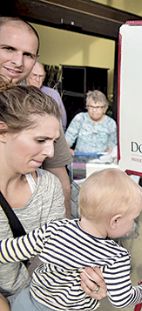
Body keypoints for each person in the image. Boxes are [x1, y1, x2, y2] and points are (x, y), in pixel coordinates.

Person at [0, 168, 142, 311]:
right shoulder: (116, 256)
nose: (133, 223)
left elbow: (10, 251)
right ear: (115, 221)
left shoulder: (55, 228)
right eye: (132, 218)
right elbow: (121, 299)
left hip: (22, 305)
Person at [0, 79, 106, 311]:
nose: (49, 152)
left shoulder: (47, 186)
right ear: (3, 131)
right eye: (40, 140)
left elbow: (57, 258)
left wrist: (90, 287)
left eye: (54, 141)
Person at [0, 16, 73, 218]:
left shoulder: (39, 106)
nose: (18, 62)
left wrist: (64, 234)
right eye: (8, 48)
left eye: (28, 54)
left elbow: (58, 173)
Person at [65, 90, 117, 154]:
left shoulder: (111, 123)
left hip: (101, 161)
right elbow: (66, 141)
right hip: (80, 159)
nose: (94, 110)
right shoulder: (80, 118)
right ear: (87, 107)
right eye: (91, 106)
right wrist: (72, 153)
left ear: (104, 108)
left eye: (98, 107)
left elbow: (112, 148)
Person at [26, 61, 68, 130]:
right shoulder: (18, 92)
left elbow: (62, 121)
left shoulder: (53, 94)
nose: (37, 79)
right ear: (27, 75)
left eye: (41, 76)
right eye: (34, 75)